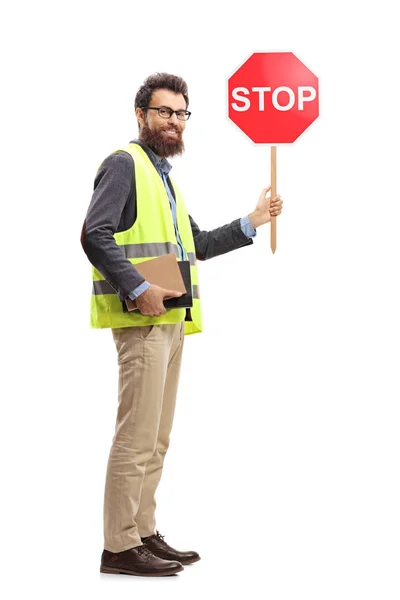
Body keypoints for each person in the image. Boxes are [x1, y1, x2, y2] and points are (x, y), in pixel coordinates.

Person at [81, 72, 283, 577]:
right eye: (164, 111)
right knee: (135, 436)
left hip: (170, 320)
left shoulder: (165, 178)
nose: (173, 121)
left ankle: (142, 531)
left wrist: (252, 221)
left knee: (157, 436)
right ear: (141, 115)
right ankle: (118, 545)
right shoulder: (124, 165)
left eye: (180, 113)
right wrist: (137, 287)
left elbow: (199, 245)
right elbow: (93, 233)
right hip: (142, 318)